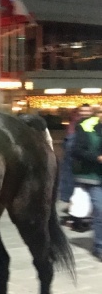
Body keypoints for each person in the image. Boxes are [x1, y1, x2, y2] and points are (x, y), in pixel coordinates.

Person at [71, 106, 102, 262]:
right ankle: (100, 246)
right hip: (94, 176)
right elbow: (76, 150)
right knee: (100, 209)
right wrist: (97, 158)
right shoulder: (86, 127)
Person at [61, 104, 93, 204]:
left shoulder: (93, 123)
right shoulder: (76, 123)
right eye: (82, 111)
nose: (84, 113)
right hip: (75, 155)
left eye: (87, 111)